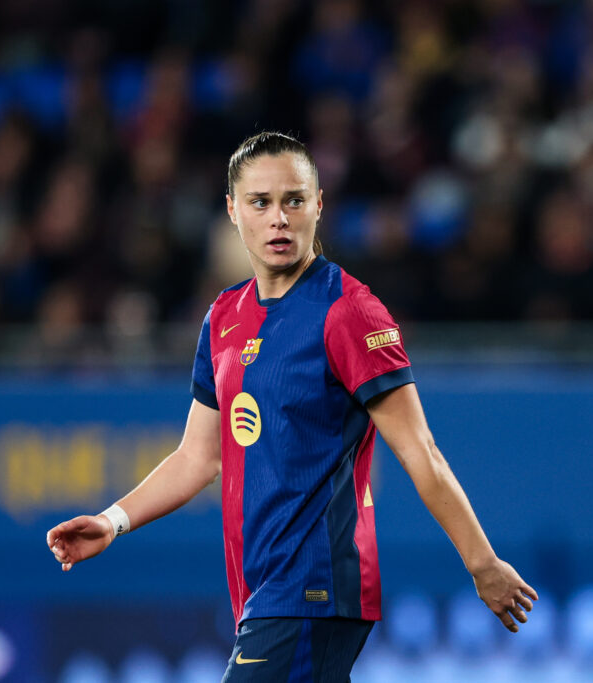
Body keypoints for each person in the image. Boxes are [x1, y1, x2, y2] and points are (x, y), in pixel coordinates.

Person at [47, 131, 537, 682]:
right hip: (261, 593)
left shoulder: (350, 312)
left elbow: (420, 451)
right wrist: (113, 522)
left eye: (293, 200)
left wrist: (482, 563)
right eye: (260, 203)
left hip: (313, 588)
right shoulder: (223, 317)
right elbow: (197, 457)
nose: (278, 218)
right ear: (233, 211)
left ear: (319, 205)